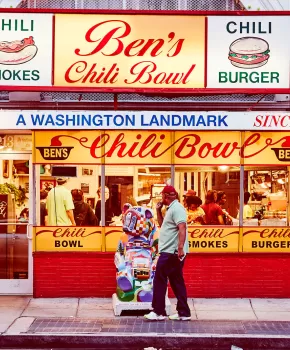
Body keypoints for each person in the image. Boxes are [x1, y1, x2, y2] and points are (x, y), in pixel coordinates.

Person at [144, 185, 191, 321]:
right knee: (176, 281)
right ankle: (184, 312)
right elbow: (163, 224)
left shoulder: (177, 208)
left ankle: (158, 311)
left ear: (166, 196)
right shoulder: (171, 209)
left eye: (162, 195)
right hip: (172, 251)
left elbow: (182, 228)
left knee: (159, 279)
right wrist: (158, 210)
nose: (162, 198)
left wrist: (180, 248)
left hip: (171, 252)